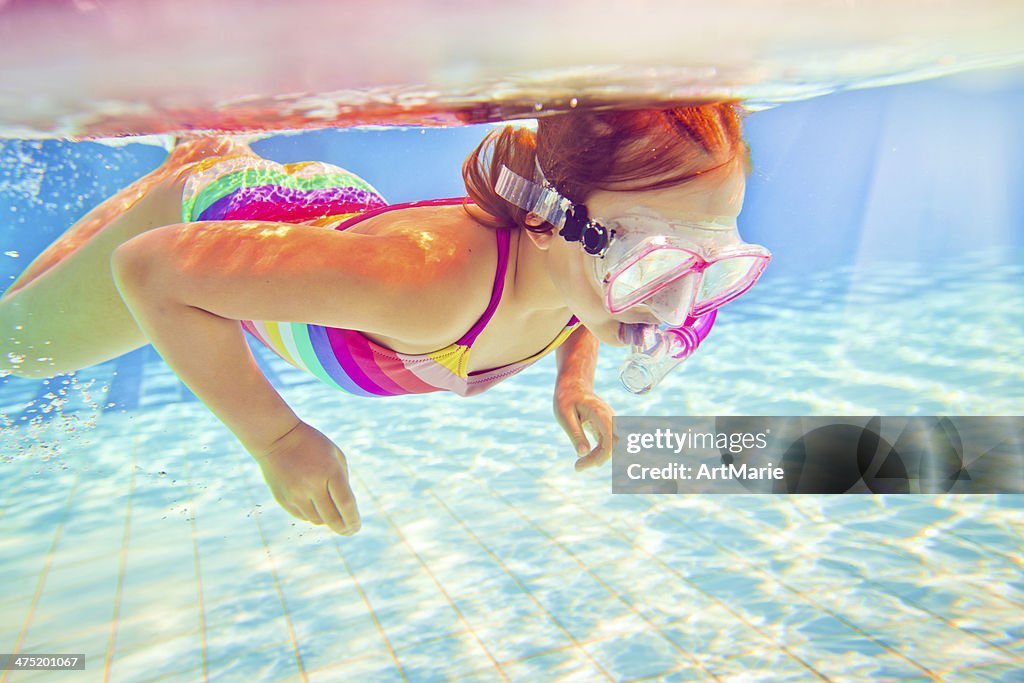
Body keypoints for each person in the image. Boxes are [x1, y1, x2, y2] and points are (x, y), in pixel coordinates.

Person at [0, 104, 769, 536]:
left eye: (706, 265)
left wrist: (574, 378)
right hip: (215, 217)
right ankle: (189, 170)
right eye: (652, 264)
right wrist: (278, 440)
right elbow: (152, 270)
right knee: (18, 348)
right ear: (546, 218)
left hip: (325, 217)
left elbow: (582, 301)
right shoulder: (427, 288)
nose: (674, 306)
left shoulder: (582, 273)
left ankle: (198, 159)